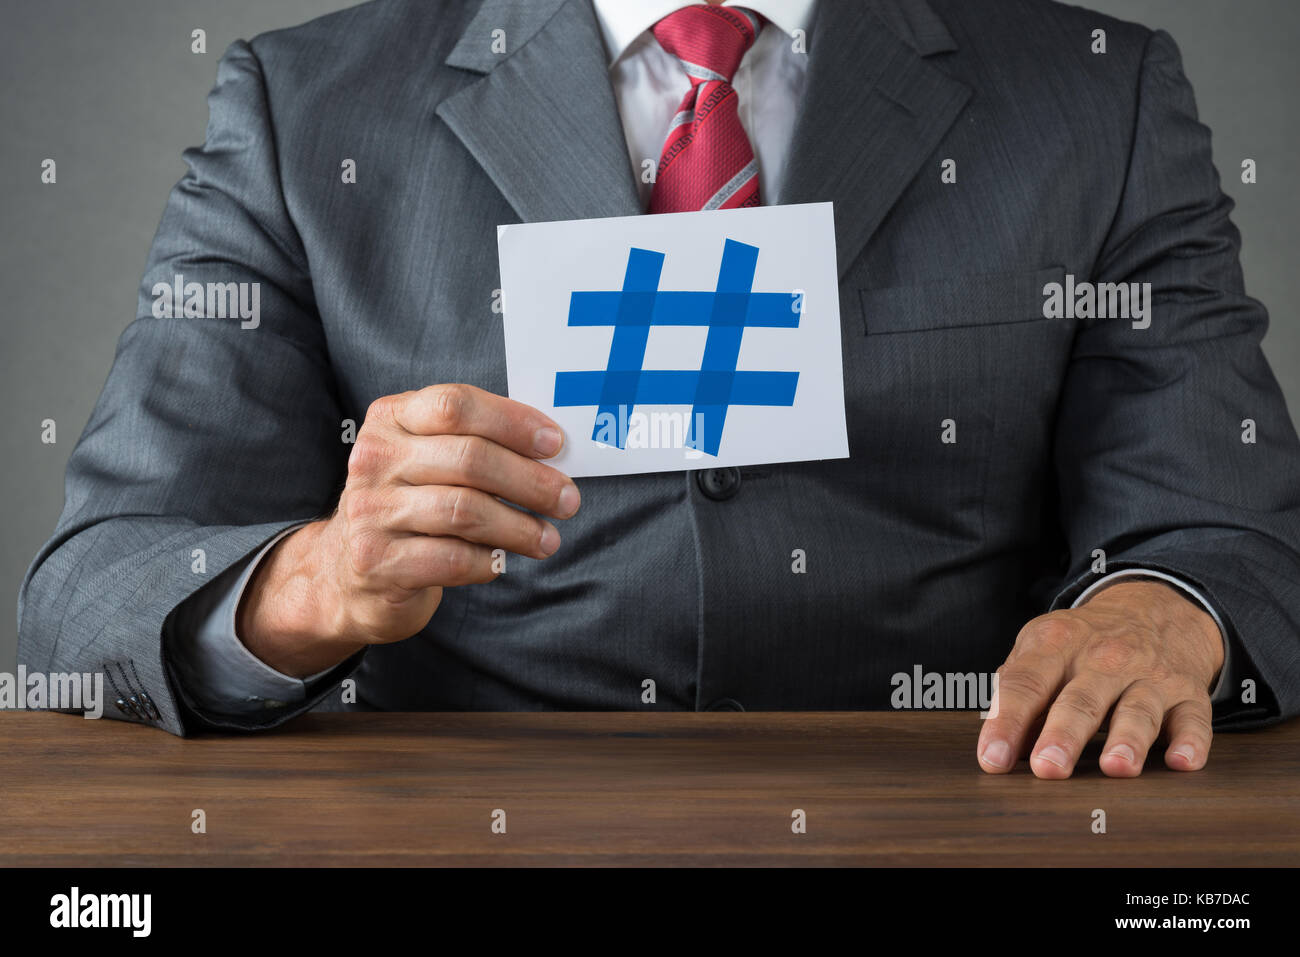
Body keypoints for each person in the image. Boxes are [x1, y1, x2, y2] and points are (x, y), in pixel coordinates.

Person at [18, 0, 1300, 780]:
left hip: (956, 809)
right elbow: (94, 595)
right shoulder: (306, 108)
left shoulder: (1097, 92)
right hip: (461, 834)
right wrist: (315, 580)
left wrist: (1162, 612)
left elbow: (1226, 523)